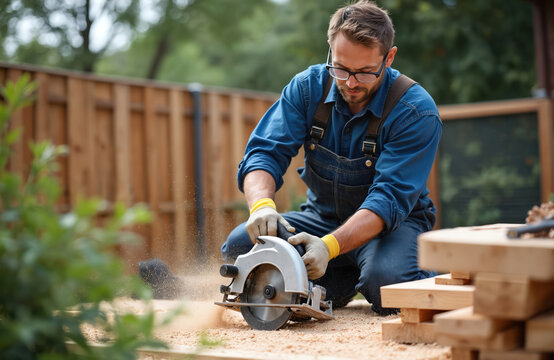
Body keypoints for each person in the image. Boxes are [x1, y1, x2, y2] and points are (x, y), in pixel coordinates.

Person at [221, 0, 441, 315]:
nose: (350, 83)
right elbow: (264, 153)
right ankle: (340, 281)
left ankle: (443, 278)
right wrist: (261, 208)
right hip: (320, 220)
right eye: (341, 68)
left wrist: (329, 247)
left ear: (388, 58)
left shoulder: (415, 111)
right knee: (242, 246)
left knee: (387, 287)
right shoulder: (307, 89)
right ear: (330, 49)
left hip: (391, 227)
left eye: (365, 73)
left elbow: (388, 199)